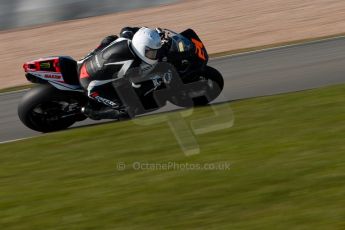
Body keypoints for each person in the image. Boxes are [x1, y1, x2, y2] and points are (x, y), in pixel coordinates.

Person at [78, 26, 163, 120]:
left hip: (84, 65)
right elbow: (137, 87)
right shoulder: (132, 65)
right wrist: (158, 79)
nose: (154, 55)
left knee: (110, 39)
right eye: (151, 52)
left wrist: (153, 35)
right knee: (130, 110)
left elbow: (126, 29)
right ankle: (94, 112)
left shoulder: (127, 37)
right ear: (141, 48)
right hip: (91, 86)